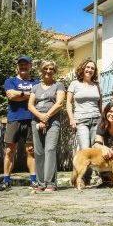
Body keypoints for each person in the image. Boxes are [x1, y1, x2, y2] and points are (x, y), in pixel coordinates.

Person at [0, 56, 39, 192]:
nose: (23, 67)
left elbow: (37, 96)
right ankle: (6, 181)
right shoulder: (10, 81)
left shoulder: (36, 82)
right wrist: (28, 94)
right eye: (21, 64)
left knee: (31, 150)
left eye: (26, 65)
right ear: (17, 67)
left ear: (30, 67)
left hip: (31, 118)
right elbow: (10, 95)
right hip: (14, 118)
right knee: (10, 150)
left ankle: (33, 180)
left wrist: (20, 94)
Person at [27, 60, 65, 192]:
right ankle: (41, 183)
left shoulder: (58, 85)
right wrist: (40, 117)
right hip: (36, 120)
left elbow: (59, 103)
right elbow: (30, 105)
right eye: (46, 69)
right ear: (41, 70)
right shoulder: (35, 87)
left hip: (53, 121)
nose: (48, 71)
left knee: (50, 149)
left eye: (51, 69)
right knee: (38, 152)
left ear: (54, 71)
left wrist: (46, 116)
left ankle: (50, 183)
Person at [66, 58, 102, 184]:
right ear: (83, 68)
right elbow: (68, 103)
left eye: (92, 68)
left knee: (95, 149)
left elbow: (100, 104)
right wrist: (71, 118)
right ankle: (81, 178)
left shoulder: (96, 85)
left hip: (96, 120)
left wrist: (102, 120)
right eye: (88, 67)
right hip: (81, 120)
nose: (90, 70)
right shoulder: (74, 84)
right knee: (85, 149)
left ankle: (87, 179)